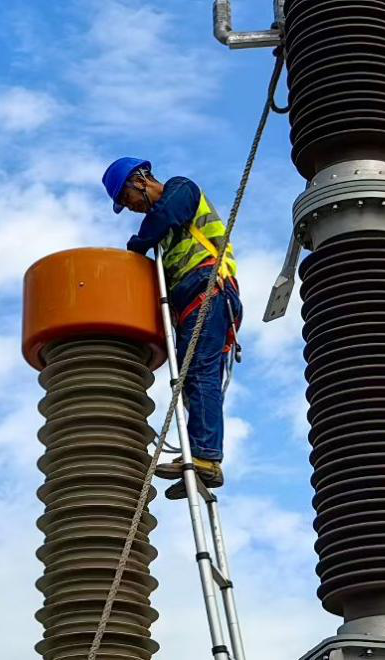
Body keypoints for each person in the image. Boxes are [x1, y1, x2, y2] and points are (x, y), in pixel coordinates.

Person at [103, 157, 241, 493]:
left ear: (140, 180)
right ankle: (198, 461)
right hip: (190, 303)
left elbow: (165, 215)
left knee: (201, 372)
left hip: (209, 287)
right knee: (190, 378)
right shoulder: (162, 238)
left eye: (127, 199)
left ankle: (206, 456)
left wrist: (138, 246)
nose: (131, 207)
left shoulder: (181, 190)